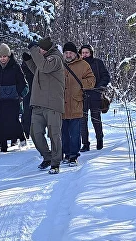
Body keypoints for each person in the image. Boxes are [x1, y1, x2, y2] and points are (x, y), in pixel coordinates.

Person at [23, 37, 65, 174]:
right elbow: (38, 70)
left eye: (40, 48)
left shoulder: (55, 59)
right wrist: (29, 60)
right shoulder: (44, 60)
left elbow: (44, 67)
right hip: (38, 103)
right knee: (35, 133)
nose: (38, 51)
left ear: (45, 49)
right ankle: (47, 157)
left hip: (52, 104)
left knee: (54, 134)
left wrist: (33, 50)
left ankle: (55, 162)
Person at [0, 44, 27, 153]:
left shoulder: (15, 67)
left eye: (5, 56)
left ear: (9, 56)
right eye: (1, 57)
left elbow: (22, 81)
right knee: (0, 122)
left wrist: (18, 93)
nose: (3, 59)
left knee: (12, 121)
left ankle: (20, 137)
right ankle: (3, 146)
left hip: (12, 100)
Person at [61, 42, 95, 165]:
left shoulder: (83, 65)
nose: (68, 55)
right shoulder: (59, 64)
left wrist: (79, 84)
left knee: (75, 133)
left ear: (75, 53)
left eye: (70, 53)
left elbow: (91, 80)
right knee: (63, 132)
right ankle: (66, 153)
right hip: (61, 104)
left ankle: (74, 155)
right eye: (66, 53)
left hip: (76, 102)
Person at [79, 44, 111, 151]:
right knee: (82, 121)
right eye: (83, 53)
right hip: (82, 95)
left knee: (96, 119)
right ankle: (85, 144)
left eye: (86, 52)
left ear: (91, 53)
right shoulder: (78, 64)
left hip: (95, 95)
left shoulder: (97, 63)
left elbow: (106, 76)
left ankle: (99, 140)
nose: (84, 54)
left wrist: (98, 88)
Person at [20, 53, 34, 141]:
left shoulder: (26, 64)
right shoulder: (28, 63)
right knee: (27, 112)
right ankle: (26, 132)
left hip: (30, 90)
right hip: (29, 90)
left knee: (27, 112)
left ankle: (27, 132)